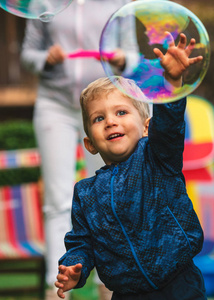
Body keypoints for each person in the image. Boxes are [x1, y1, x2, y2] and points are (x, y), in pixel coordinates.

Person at [55, 32, 206, 300]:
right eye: (99, 118)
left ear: (147, 127)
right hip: (126, 294)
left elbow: (169, 125)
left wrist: (171, 81)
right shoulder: (86, 193)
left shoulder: (158, 157)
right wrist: (74, 267)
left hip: (179, 286)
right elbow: (82, 243)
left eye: (121, 112)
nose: (111, 122)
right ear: (90, 144)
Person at [20, 1, 132, 299]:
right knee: (58, 199)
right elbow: (27, 55)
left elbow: (134, 58)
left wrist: (122, 59)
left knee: (108, 199)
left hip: (102, 109)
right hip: (54, 105)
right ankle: (57, 285)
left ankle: (109, 283)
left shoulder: (120, 3)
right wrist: (46, 58)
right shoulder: (42, 2)